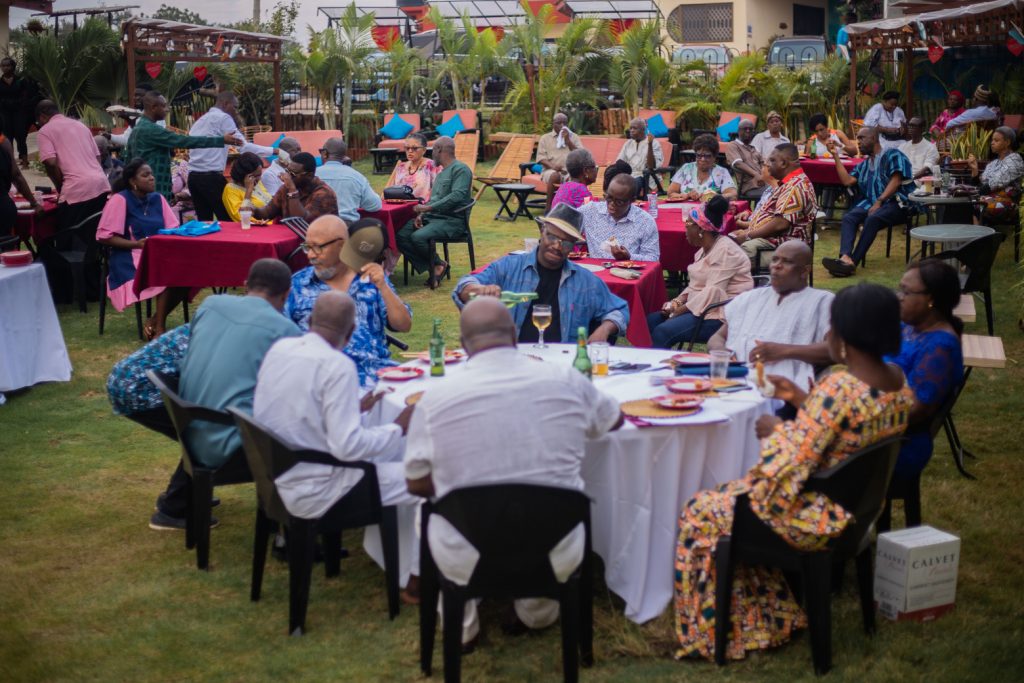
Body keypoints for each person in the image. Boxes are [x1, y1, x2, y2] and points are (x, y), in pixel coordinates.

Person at [673, 282, 913, 661]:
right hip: (855, 510)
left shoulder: (839, 388)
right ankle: (766, 615)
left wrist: (775, 430)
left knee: (701, 509)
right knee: (727, 499)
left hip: (812, 517)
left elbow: (786, 469)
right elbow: (846, 430)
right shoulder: (897, 382)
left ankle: (716, 633)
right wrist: (798, 398)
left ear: (845, 335)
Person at [404, 297, 624, 647]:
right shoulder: (566, 378)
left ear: (463, 345)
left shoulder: (434, 399)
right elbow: (614, 420)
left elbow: (416, 482)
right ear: (513, 334)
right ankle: (535, 613)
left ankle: (462, 628)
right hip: (553, 544)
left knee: (430, 508)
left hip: (466, 549)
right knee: (549, 504)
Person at [254, 291, 419, 578]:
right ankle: (416, 575)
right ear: (351, 331)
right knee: (425, 478)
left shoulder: (280, 349)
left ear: (309, 321)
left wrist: (353, 407)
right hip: (317, 488)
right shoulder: (337, 365)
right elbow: (349, 448)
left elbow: (300, 405)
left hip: (277, 474)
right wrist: (398, 428)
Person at [149, 259, 300, 530]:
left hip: (191, 426)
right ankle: (291, 533)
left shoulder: (210, 305)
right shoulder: (286, 330)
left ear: (245, 285)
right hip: (226, 442)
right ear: (287, 293)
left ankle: (179, 501)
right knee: (302, 438)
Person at [453, 203, 628, 344]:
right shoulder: (509, 267)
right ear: (542, 231)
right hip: (512, 359)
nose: (557, 246)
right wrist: (477, 290)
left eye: (566, 243)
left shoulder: (586, 282)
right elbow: (463, 287)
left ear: (574, 245)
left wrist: (604, 329)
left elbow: (619, 309)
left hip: (562, 364)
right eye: (552, 237)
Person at [285, 215, 412, 387]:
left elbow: (403, 325)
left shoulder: (371, 279)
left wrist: (383, 287)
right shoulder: (298, 285)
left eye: (318, 247)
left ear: (342, 245)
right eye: (307, 247)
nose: (311, 255)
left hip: (374, 376)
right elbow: (280, 342)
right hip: (319, 382)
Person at [707, 241, 832, 390]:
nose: (776, 266)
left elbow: (837, 350)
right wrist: (722, 352)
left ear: (805, 271)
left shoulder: (823, 302)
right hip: (734, 382)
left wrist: (783, 351)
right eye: (774, 259)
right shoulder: (750, 298)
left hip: (788, 390)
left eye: (787, 261)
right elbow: (717, 337)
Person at [95, 158, 188, 340]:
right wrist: (136, 244)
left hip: (158, 252)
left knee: (187, 271)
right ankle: (160, 329)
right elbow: (105, 236)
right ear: (133, 181)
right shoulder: (120, 200)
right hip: (129, 255)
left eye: (151, 174)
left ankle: (154, 320)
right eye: (145, 175)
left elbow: (173, 228)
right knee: (165, 272)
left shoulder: (158, 199)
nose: (152, 178)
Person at [648, 196, 752, 348]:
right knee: (651, 321)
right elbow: (696, 285)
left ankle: (660, 363)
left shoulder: (726, 252)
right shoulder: (705, 250)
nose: (685, 229)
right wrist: (676, 302)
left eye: (688, 224)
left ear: (701, 229)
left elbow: (713, 292)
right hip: (702, 307)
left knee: (662, 331)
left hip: (720, 315)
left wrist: (678, 311)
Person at [821, 127, 913, 278]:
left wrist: (879, 201)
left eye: (862, 138)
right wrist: (835, 155)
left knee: (872, 219)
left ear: (874, 139)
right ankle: (845, 257)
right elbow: (847, 181)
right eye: (857, 139)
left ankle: (852, 263)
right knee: (849, 218)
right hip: (873, 203)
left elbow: (896, 181)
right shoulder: (864, 164)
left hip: (897, 202)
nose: (858, 142)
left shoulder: (892, 154)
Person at [124, 90, 242, 201]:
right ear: (154, 107)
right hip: (155, 191)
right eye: (164, 106)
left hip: (143, 190)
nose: (167, 109)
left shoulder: (137, 129)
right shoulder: (151, 129)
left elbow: (127, 159)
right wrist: (221, 140)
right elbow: (185, 141)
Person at [395, 136, 472, 287]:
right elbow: (435, 198)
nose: (431, 154)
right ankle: (437, 264)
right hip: (434, 218)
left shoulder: (461, 169)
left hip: (452, 221)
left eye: (433, 150)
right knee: (400, 234)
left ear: (439, 150)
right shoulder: (442, 173)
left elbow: (457, 196)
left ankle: (436, 266)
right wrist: (422, 214)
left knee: (417, 237)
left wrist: (428, 208)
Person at [186, 91, 274, 221]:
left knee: (204, 223)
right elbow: (243, 147)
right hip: (210, 178)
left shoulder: (200, 121)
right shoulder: (224, 118)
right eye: (235, 107)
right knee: (230, 221)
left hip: (193, 177)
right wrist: (275, 151)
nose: (236, 112)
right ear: (225, 104)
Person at [730, 143, 818, 259]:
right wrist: (748, 230)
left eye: (772, 160)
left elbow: (780, 224)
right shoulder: (791, 182)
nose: (767, 165)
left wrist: (747, 235)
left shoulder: (794, 187)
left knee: (734, 254)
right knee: (726, 243)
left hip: (783, 248)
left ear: (783, 163)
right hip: (772, 241)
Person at [107, 324, 191, 442]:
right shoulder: (209, 337)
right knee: (205, 439)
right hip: (139, 387)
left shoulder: (200, 326)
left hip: (119, 380)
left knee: (198, 441)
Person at [35, 100, 111, 231]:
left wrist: (60, 187)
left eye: (38, 122)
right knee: (93, 232)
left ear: (42, 117)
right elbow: (97, 156)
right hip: (100, 184)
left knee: (69, 235)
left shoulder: (45, 131)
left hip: (76, 190)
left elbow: (51, 163)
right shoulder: (80, 125)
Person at [579, 173, 659, 261]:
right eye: (609, 198)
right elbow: (567, 227)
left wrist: (629, 257)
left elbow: (653, 258)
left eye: (619, 202)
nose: (612, 203)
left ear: (632, 200)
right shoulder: (590, 211)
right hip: (594, 269)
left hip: (628, 269)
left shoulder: (645, 222)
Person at [251, 151, 338, 224]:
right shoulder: (286, 188)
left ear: (309, 175)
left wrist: (292, 191)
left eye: (293, 174)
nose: (288, 176)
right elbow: (267, 213)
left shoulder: (324, 193)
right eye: (287, 171)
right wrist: (253, 210)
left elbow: (301, 222)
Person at [316, 137, 382, 223]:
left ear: (324, 153)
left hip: (316, 226)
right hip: (347, 227)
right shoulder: (357, 177)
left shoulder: (313, 175)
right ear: (344, 156)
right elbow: (375, 205)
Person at [968, 126, 1024, 223]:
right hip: (989, 197)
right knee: (964, 203)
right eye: (992, 140)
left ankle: (978, 232)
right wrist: (975, 170)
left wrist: (973, 193)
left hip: (1008, 202)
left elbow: (993, 184)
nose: (992, 143)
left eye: (996, 140)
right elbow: (981, 185)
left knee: (975, 204)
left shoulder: (1014, 160)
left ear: (1007, 142)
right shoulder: (994, 163)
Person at [668, 133, 736, 201]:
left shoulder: (722, 172)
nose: (702, 159)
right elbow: (670, 193)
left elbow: (733, 195)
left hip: (711, 207)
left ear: (714, 157)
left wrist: (716, 197)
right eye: (699, 155)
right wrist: (686, 195)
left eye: (707, 156)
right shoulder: (686, 168)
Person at [222, 152, 273, 222]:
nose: (259, 178)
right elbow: (243, 219)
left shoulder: (257, 182)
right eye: (255, 176)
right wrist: (249, 191)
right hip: (260, 226)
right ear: (243, 174)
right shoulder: (230, 190)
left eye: (259, 175)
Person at [616, 117, 663, 192]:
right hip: (630, 175)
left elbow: (651, 166)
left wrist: (650, 145)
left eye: (634, 128)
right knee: (611, 171)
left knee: (635, 181)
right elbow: (619, 161)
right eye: (630, 128)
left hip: (647, 177)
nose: (631, 130)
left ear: (643, 130)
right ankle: (608, 195)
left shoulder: (654, 143)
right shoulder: (628, 143)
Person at [390, 132, 439, 202]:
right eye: (407, 148)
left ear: (424, 150)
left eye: (415, 148)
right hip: (400, 205)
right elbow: (392, 189)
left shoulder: (432, 166)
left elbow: (438, 191)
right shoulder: (401, 167)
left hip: (422, 206)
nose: (410, 151)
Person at [726, 119, 767, 199]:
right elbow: (738, 163)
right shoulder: (733, 145)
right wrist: (756, 175)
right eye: (745, 128)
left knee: (782, 189)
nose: (748, 131)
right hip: (749, 186)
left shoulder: (753, 148)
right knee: (775, 193)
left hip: (763, 183)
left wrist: (764, 176)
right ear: (738, 131)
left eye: (750, 129)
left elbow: (763, 163)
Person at [534, 112, 581, 185]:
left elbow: (580, 155)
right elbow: (541, 158)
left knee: (574, 179)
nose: (562, 126)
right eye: (559, 123)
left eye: (565, 123)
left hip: (569, 172)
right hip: (550, 170)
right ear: (553, 124)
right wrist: (553, 167)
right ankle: (551, 193)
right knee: (555, 176)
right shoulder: (545, 138)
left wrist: (568, 141)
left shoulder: (574, 137)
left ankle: (567, 192)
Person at [0, 57, 29, 167]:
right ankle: (11, 163)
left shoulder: (20, 81)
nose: (5, 68)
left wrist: (16, 104)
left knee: (21, 136)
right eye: (3, 66)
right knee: (7, 138)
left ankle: (24, 161)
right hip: (5, 114)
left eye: (8, 65)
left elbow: (25, 96)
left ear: (13, 66)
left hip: (18, 113)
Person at [899, 117, 940, 181]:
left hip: (919, 181)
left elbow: (927, 168)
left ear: (922, 129)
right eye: (909, 125)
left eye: (913, 126)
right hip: (900, 179)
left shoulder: (930, 148)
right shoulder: (902, 147)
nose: (910, 128)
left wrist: (910, 179)